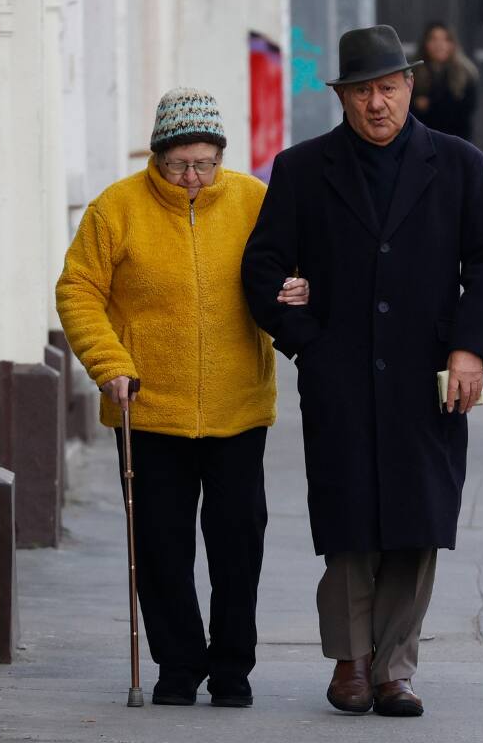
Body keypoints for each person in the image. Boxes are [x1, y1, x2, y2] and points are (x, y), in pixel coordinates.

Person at [242, 25, 483, 717]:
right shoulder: (302, 169)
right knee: (349, 522)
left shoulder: (458, 164)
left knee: (418, 522)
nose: (376, 103)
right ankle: (350, 662)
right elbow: (261, 268)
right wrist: (307, 342)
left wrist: (470, 350)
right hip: (341, 378)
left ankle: (394, 668)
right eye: (362, 92)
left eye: (388, 88)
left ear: (410, 87)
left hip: (429, 377)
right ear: (342, 98)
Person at [56, 88, 308, 708]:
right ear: (158, 156)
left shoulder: (254, 200)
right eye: (179, 164)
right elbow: (78, 289)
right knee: (161, 546)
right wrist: (110, 364)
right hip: (147, 409)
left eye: (204, 163)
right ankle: (177, 665)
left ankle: (232, 669)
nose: (193, 177)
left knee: (238, 544)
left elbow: (295, 267)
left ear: (221, 155)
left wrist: (300, 289)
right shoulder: (116, 208)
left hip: (238, 408)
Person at [410, 21, 479, 141]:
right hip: (423, 141)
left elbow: (465, 111)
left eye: (445, 39)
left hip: (457, 141)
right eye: (433, 39)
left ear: (453, 44)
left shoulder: (465, 73)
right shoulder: (413, 73)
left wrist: (430, 105)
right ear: (425, 44)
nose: (439, 45)